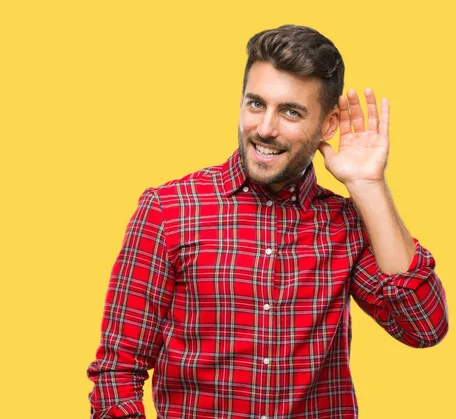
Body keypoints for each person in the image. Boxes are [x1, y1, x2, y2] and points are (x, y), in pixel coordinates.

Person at [86, 25, 449, 419]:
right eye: (256, 104)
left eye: (291, 112)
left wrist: (369, 185)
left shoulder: (347, 223)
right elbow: (117, 372)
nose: (264, 128)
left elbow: (423, 327)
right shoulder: (169, 210)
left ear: (328, 126)